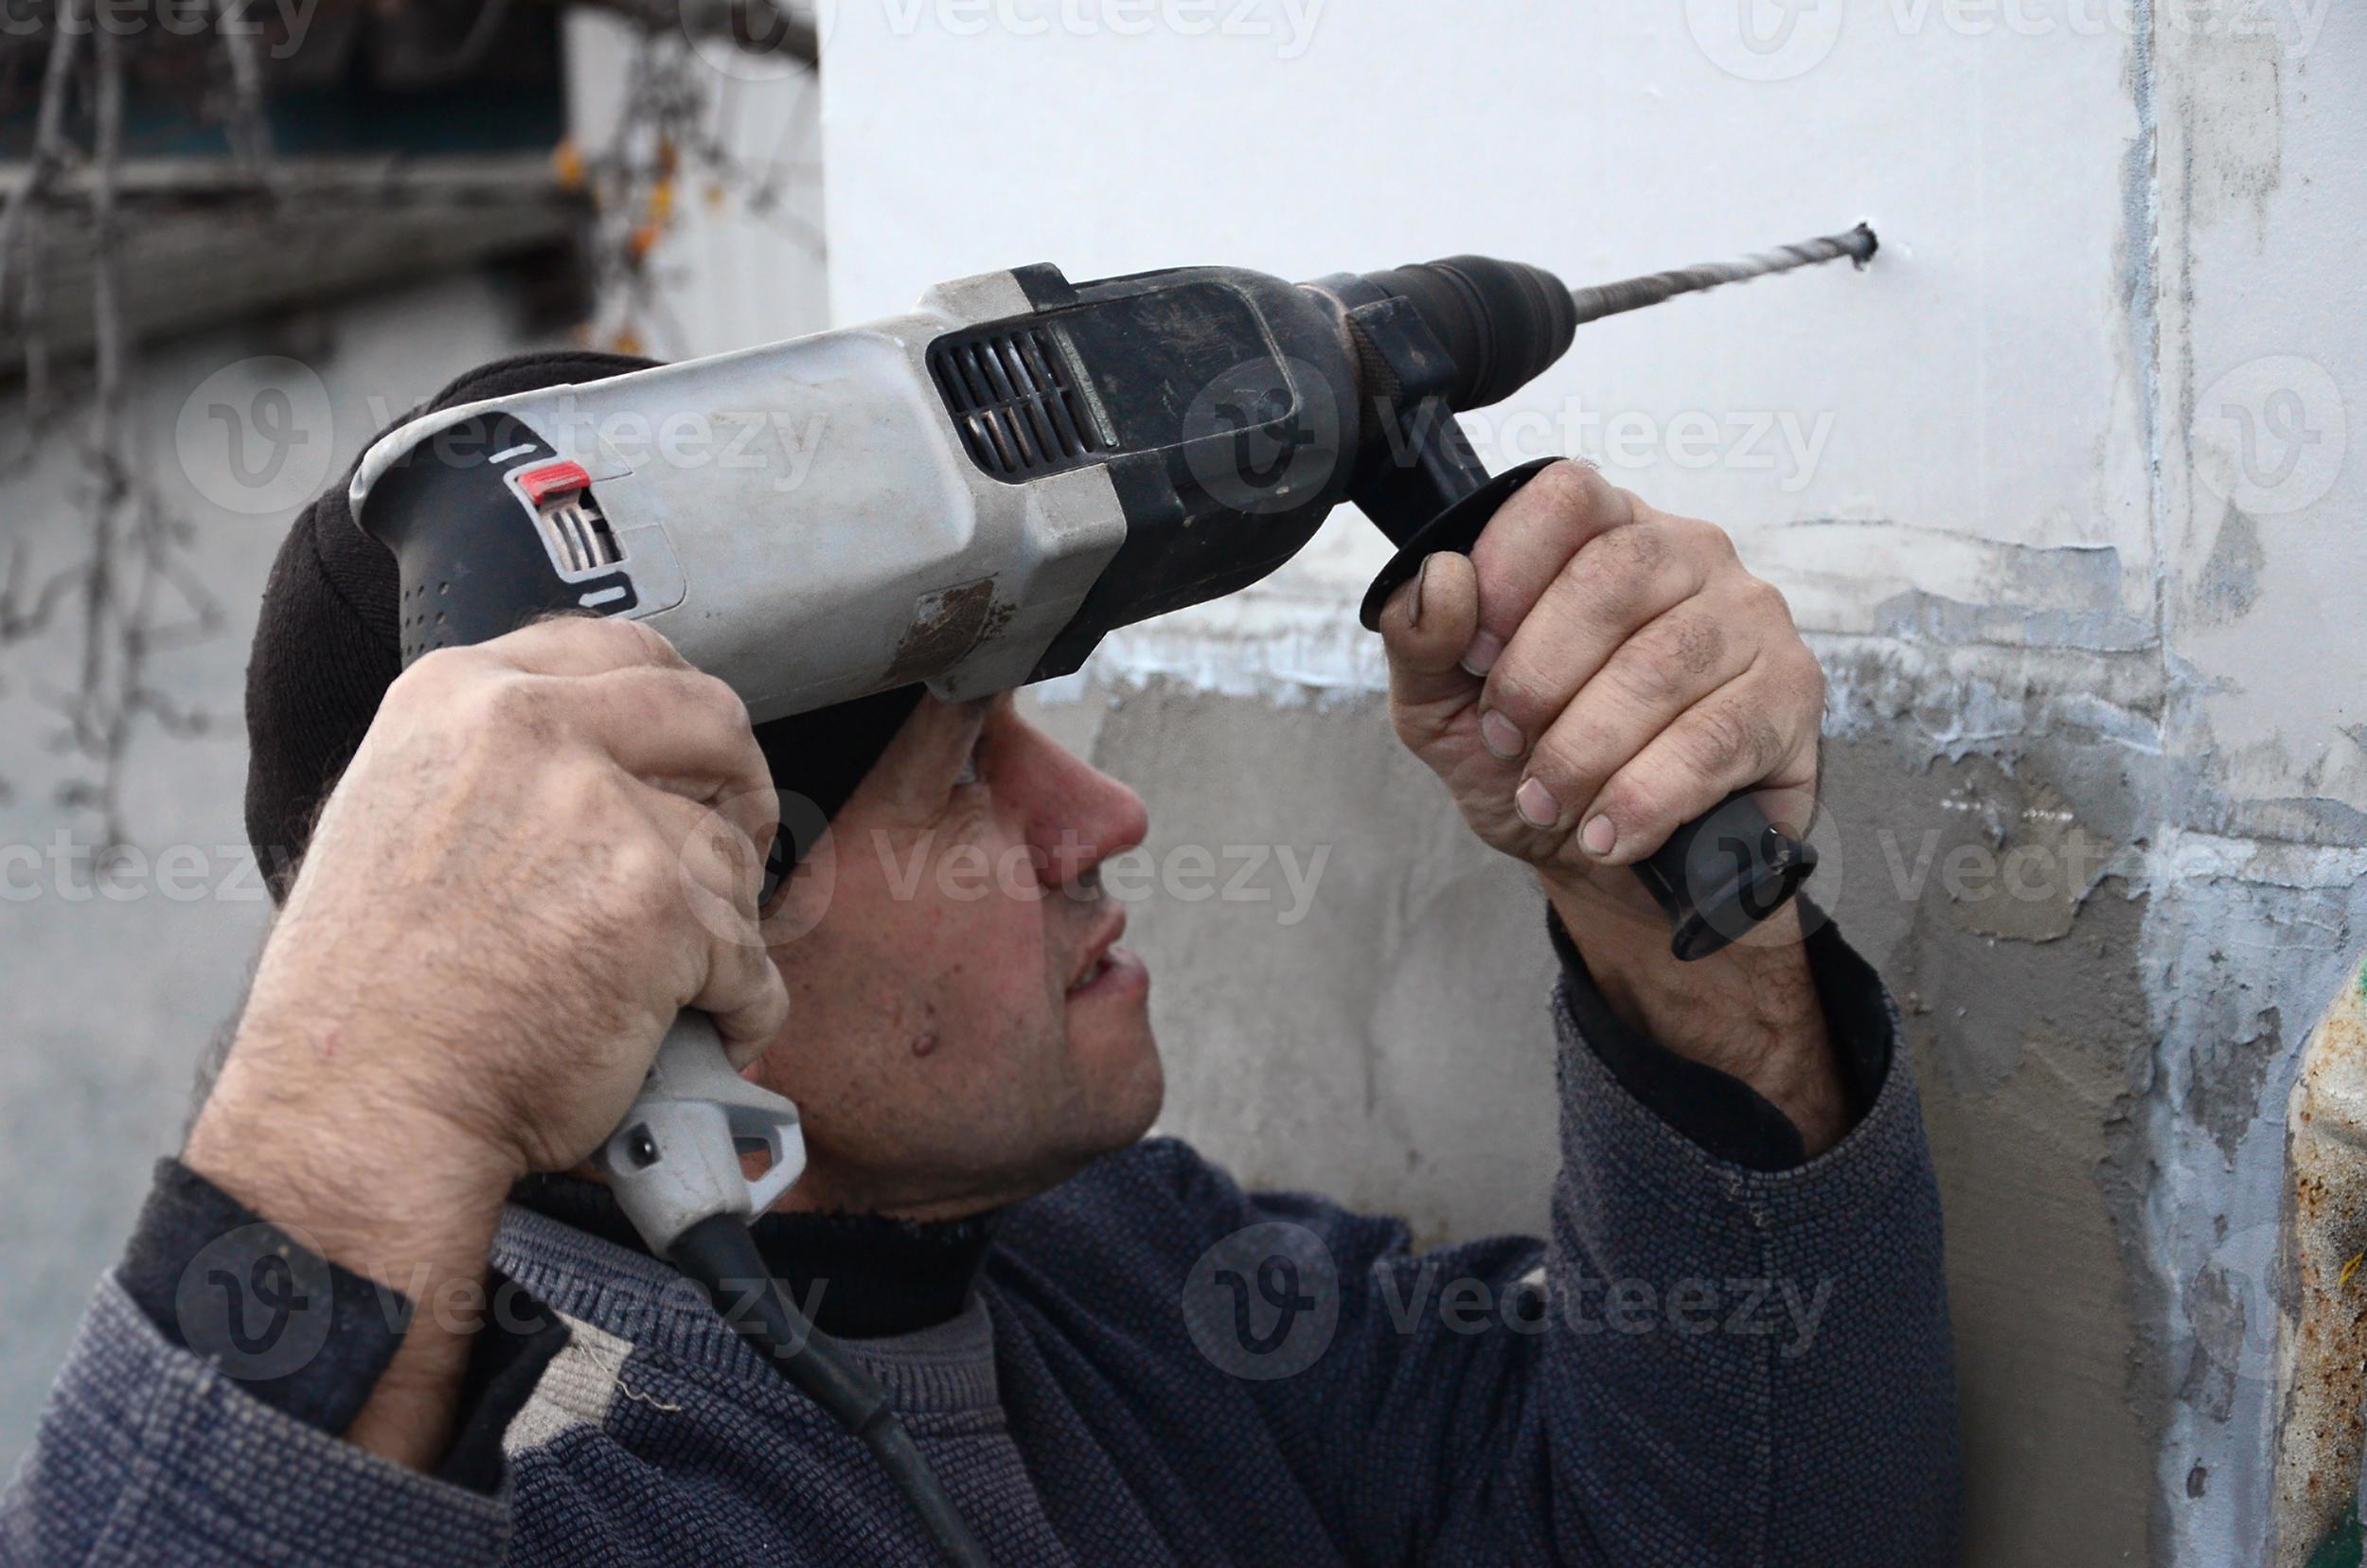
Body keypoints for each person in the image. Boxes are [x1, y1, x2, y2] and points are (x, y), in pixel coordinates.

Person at [2, 353, 1960, 1565]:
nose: (1097, 822)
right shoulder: (568, 1506)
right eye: (953, 781)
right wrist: (365, 1096)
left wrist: (1680, 943)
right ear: (655, 962)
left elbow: (1762, 1523)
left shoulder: (1108, 1264)